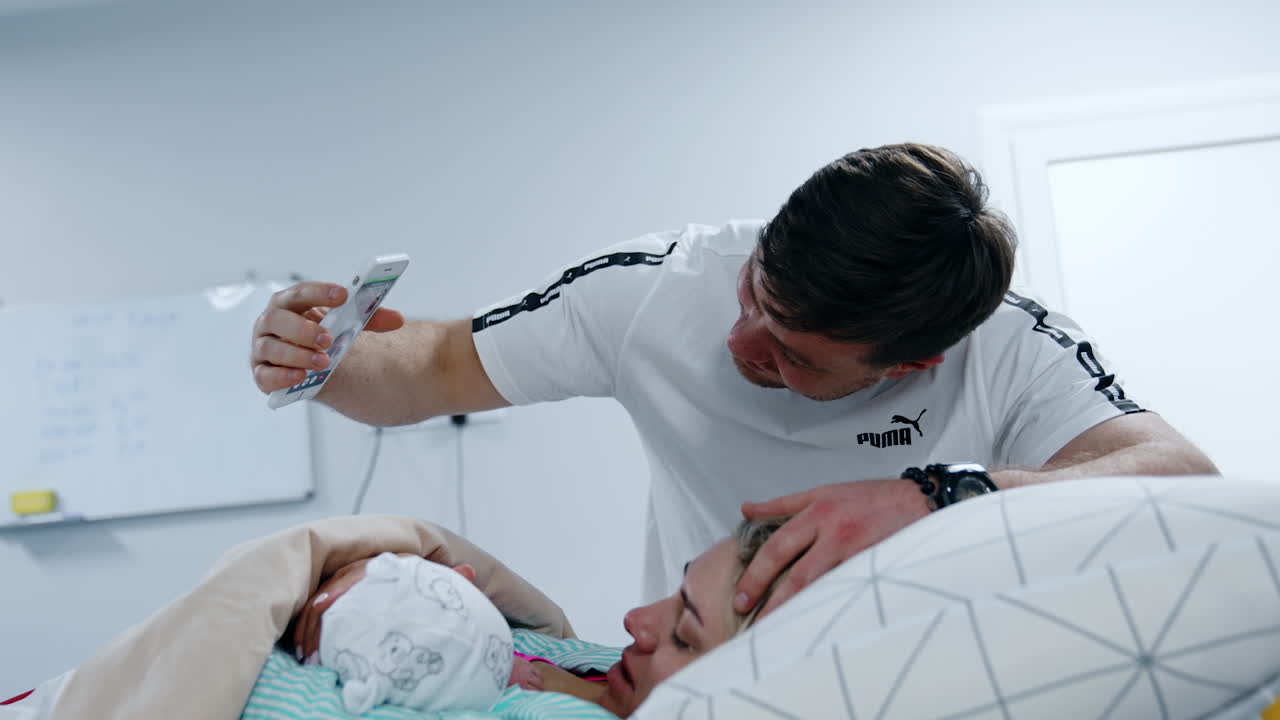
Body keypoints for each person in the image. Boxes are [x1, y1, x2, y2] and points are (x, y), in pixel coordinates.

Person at [250, 142, 1217, 620]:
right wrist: (318, 358)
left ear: (914, 360)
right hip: (708, 670)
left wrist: (933, 498)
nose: (742, 344)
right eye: (755, 295)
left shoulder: (1006, 345)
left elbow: (1177, 476)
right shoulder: (654, 289)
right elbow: (423, 371)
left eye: (796, 353)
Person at [290, 516, 794, 718]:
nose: (635, 619)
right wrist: (377, 567)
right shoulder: (597, 666)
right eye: (675, 593)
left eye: (683, 637)